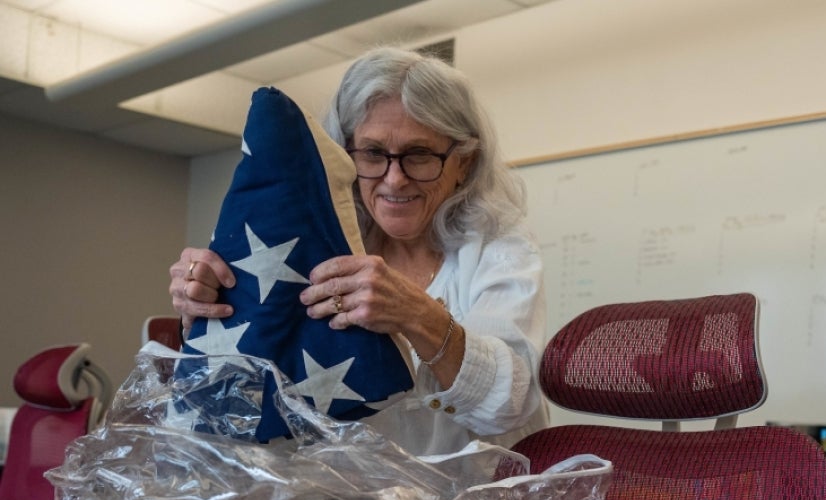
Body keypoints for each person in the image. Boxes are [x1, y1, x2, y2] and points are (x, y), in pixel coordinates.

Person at [168, 48, 549, 455]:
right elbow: (261, 377)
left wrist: (417, 314)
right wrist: (207, 307)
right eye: (372, 153)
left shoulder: (498, 247)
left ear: (464, 164)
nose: (395, 179)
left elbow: (510, 402)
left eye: (419, 155)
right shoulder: (314, 241)